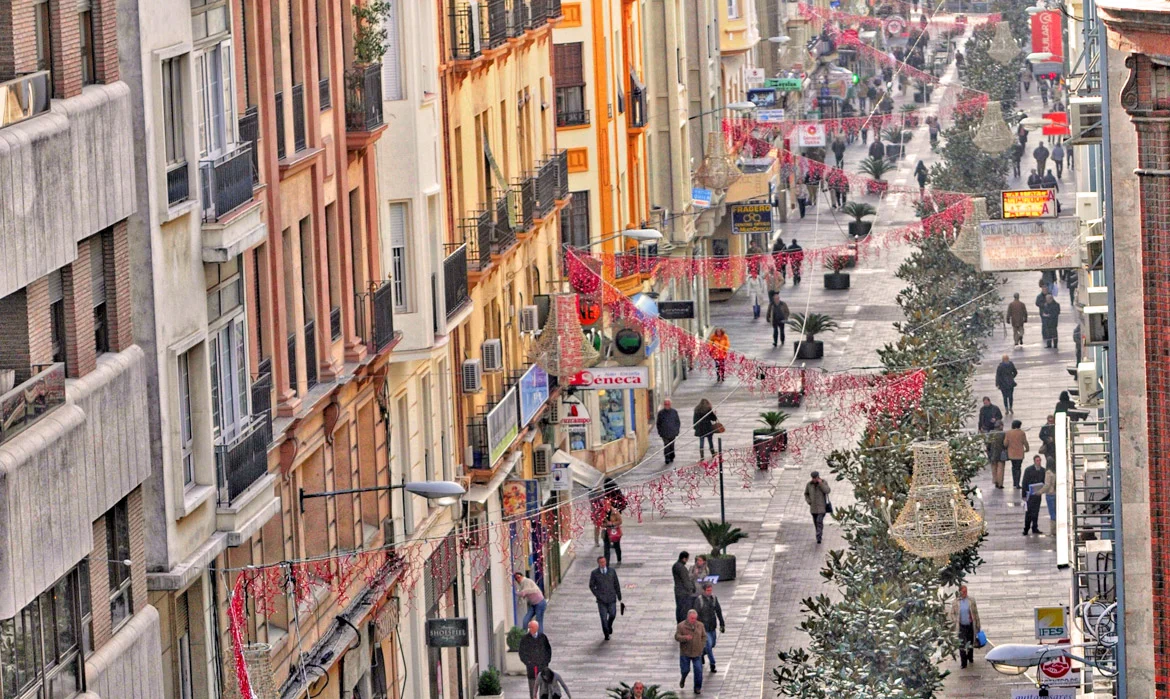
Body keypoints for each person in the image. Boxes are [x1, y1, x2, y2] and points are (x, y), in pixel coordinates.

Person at [690, 583, 726, 674]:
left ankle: (701, 653)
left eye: (710, 590)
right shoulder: (699, 601)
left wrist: (722, 624)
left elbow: (718, 611)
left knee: (712, 644)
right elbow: (695, 615)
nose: (709, 592)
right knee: (709, 646)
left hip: (712, 626)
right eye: (708, 590)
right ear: (703, 591)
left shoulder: (714, 599)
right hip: (703, 628)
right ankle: (712, 664)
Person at [588, 556, 622, 640]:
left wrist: (618, 594)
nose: (603, 564)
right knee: (603, 618)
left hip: (611, 598)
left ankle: (609, 625)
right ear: (598, 563)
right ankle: (606, 634)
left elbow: (616, 583)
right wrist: (597, 594)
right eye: (601, 562)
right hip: (601, 600)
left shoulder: (612, 571)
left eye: (604, 562)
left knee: (612, 614)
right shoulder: (594, 573)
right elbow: (591, 585)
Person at [949, 585, 982, 669]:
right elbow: (952, 613)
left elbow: (975, 613)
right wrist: (955, 620)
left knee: (970, 642)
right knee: (961, 644)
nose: (965, 593)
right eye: (963, 592)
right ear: (960, 592)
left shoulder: (971, 600)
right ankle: (963, 663)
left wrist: (978, 625)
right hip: (961, 627)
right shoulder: (955, 602)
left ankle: (970, 657)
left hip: (970, 625)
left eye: (966, 591)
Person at [519, 620, 553, 698]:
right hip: (531, 668)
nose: (529, 629)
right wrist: (528, 662)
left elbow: (548, 650)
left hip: (542, 667)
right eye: (529, 627)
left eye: (531, 627)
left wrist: (546, 661)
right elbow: (522, 652)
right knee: (533, 689)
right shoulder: (525, 639)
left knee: (544, 688)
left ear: (536, 628)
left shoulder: (543, 637)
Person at [676, 609, 707, 694]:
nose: (694, 620)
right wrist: (685, 638)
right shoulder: (681, 626)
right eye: (692, 618)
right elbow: (677, 637)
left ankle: (697, 687)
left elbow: (704, 636)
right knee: (685, 669)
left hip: (697, 652)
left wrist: (701, 646)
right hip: (685, 652)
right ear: (688, 617)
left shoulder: (700, 625)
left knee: (698, 670)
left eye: (695, 618)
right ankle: (683, 678)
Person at [1022, 455, 1047, 535]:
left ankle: (1035, 527)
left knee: (1036, 511)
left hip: (1037, 494)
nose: (1039, 462)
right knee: (1028, 512)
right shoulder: (1028, 470)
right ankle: (1026, 528)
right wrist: (1024, 495)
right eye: (1037, 460)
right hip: (1029, 494)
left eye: (1040, 460)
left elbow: (1044, 482)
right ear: (1034, 461)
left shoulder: (1043, 470)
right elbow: (1024, 482)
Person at [804, 471, 832, 544]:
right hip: (813, 508)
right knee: (816, 523)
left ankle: (818, 537)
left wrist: (821, 484)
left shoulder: (823, 482)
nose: (814, 479)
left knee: (819, 522)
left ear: (818, 477)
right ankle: (818, 534)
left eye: (815, 478)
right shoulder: (809, 484)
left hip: (822, 507)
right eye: (813, 478)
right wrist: (809, 501)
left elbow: (827, 491)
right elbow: (806, 494)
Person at [1005, 419, 1030, 489]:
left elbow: (1005, 443)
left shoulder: (1008, 433)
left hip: (1011, 453)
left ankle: (1014, 482)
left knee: (1013, 467)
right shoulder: (1021, 433)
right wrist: (1027, 449)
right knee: (1018, 468)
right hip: (1019, 453)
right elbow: (1025, 442)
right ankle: (1017, 483)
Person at [672, 551, 696, 623]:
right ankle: (682, 623)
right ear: (684, 558)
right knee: (683, 609)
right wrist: (692, 588)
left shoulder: (675, 565)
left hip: (678, 591)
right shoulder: (681, 568)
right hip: (683, 592)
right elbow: (685, 580)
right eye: (687, 559)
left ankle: (679, 622)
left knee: (679, 608)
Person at [656, 399, 681, 465]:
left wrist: (677, 430)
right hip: (664, 433)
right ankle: (667, 458)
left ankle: (672, 456)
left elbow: (677, 422)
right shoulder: (661, 413)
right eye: (665, 404)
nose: (667, 405)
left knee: (672, 446)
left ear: (670, 404)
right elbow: (658, 423)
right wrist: (660, 432)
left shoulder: (674, 412)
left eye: (668, 404)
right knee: (666, 445)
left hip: (672, 432)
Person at [986, 417, 1007, 488]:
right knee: (1000, 469)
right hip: (1001, 453)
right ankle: (1000, 483)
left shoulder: (991, 433)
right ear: (1000, 426)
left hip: (992, 453)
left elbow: (988, 444)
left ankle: (995, 481)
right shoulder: (1003, 433)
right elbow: (1005, 444)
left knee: (994, 468)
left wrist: (988, 451)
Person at [1040, 456, 1058, 535]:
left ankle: (1053, 530)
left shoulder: (1048, 473)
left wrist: (1040, 491)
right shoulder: (1055, 472)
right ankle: (1056, 529)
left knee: (1052, 513)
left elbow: (1047, 485)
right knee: (1055, 512)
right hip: (1055, 493)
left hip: (1050, 494)